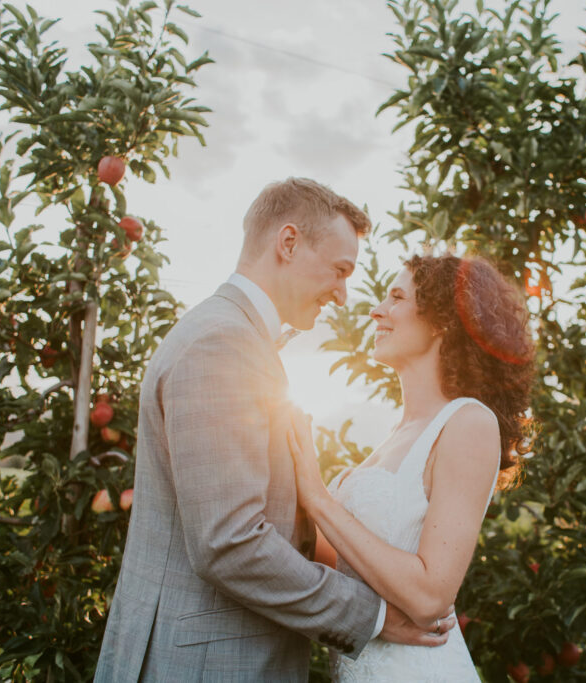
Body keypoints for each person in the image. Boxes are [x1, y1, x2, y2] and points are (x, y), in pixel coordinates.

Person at [94, 178, 456, 683]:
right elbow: (230, 542)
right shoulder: (222, 342)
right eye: (340, 270)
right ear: (288, 243)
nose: (343, 294)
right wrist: (372, 617)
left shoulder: (233, 336)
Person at [287, 253, 535, 681]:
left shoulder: (468, 422)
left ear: (442, 321)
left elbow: (429, 598)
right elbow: (331, 563)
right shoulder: (392, 439)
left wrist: (318, 498)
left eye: (396, 297)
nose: (376, 310)